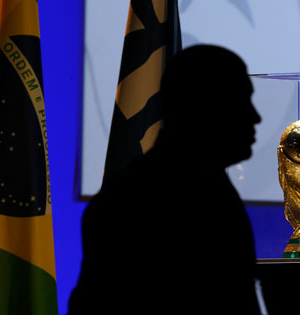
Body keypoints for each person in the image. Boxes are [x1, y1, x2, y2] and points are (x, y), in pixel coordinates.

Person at [69, 45, 262, 314]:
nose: (256, 117)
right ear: (204, 108)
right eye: (241, 100)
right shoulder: (133, 203)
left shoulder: (211, 190)